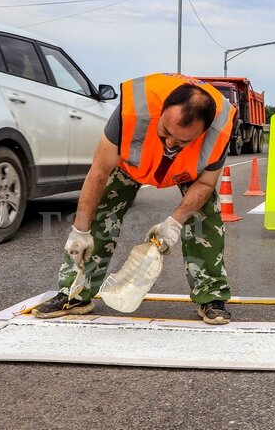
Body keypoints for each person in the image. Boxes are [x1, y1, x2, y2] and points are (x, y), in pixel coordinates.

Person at [33, 73, 237, 324]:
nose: (170, 144)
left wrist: (174, 224)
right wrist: (80, 229)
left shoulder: (221, 127)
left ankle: (211, 296)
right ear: (160, 111)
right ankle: (74, 293)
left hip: (189, 170)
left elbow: (206, 183)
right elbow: (99, 171)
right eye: (165, 131)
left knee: (206, 214)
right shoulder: (132, 109)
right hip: (132, 165)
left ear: (203, 131)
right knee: (101, 210)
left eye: (182, 140)